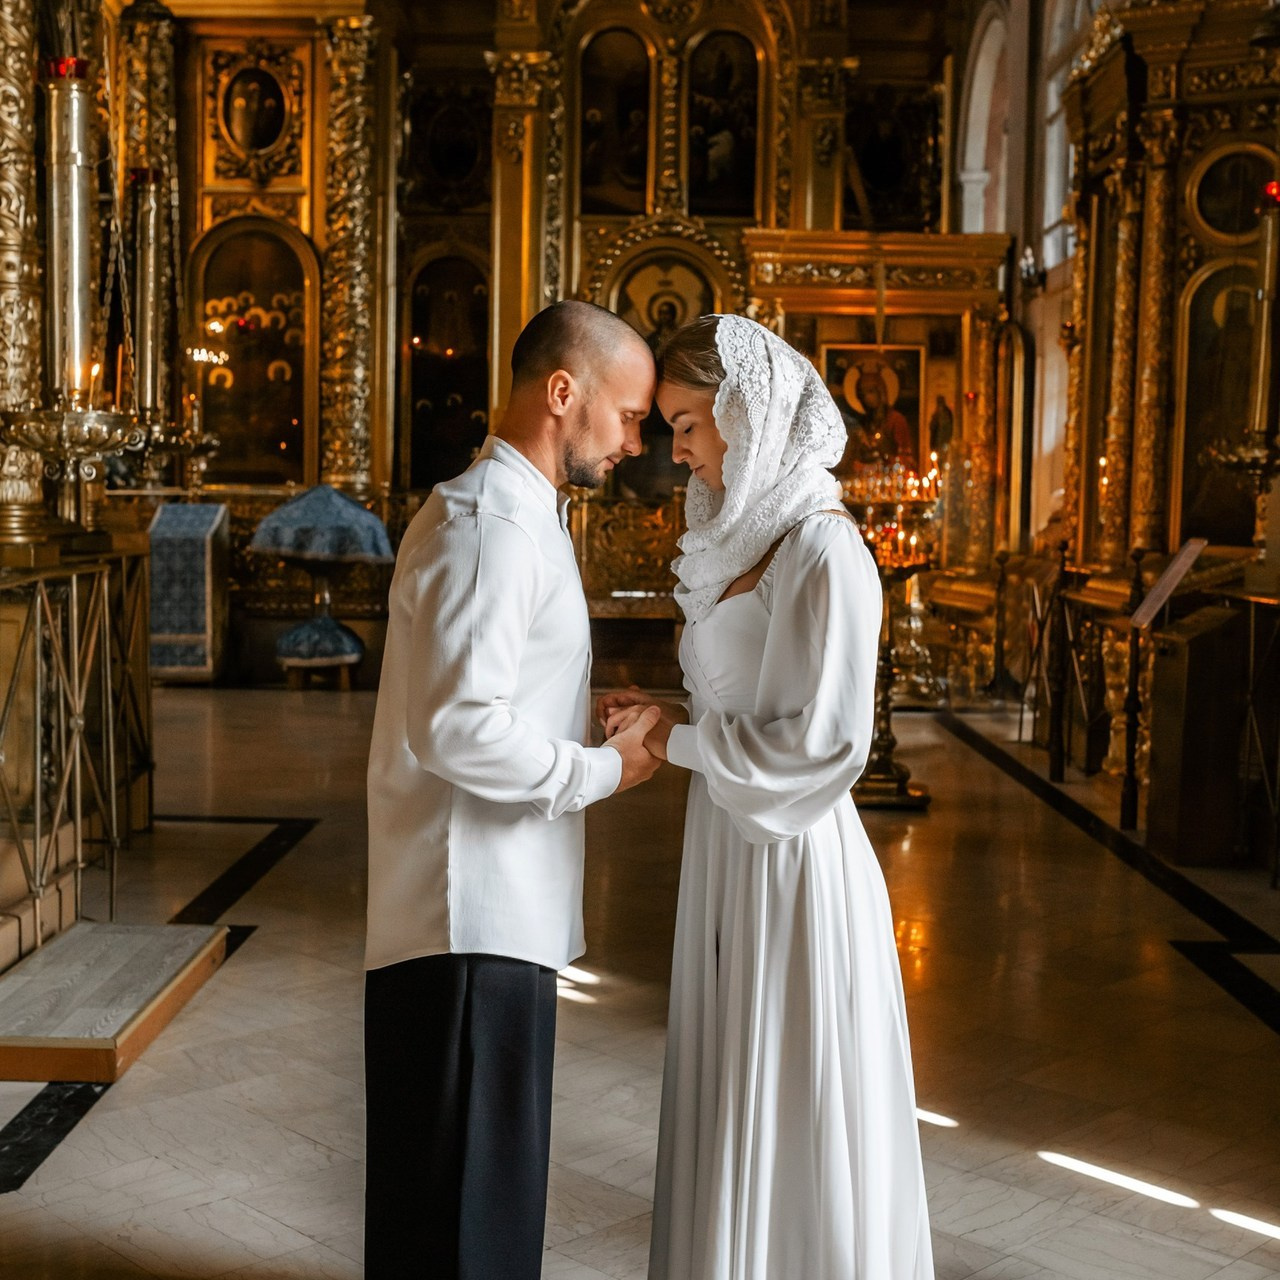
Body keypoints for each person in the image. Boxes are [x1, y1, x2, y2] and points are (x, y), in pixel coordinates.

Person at [601, 314, 934, 1279]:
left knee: (785, 1082)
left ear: (749, 411)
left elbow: (823, 744)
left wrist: (678, 738)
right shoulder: (746, 536)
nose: (679, 450)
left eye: (690, 422)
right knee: (729, 1074)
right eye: (669, 427)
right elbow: (752, 696)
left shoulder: (824, 550)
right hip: (729, 840)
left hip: (790, 856)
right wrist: (671, 711)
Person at [365, 299, 664, 1280]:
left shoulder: (522, 512)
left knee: (463, 1203)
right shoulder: (490, 522)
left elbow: (483, 695)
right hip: (468, 916)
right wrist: (601, 769)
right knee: (463, 1214)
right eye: (625, 415)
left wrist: (575, 716)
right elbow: (451, 726)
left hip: (493, 911)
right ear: (561, 392)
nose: (633, 441)